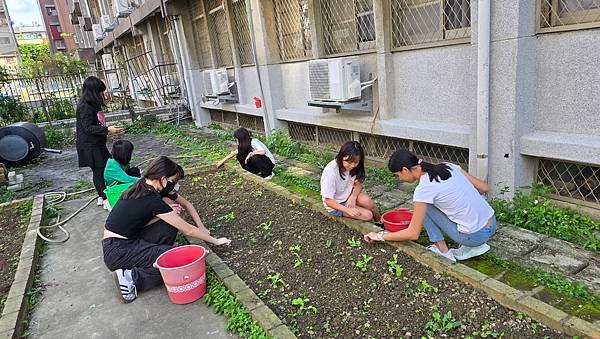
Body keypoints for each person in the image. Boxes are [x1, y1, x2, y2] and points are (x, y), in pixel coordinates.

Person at [102, 156, 231, 302]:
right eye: (172, 181)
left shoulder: (142, 186)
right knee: (176, 263)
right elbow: (188, 230)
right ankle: (131, 278)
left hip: (119, 245)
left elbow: (143, 220)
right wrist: (216, 241)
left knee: (170, 224)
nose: (173, 185)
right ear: (163, 178)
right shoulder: (150, 199)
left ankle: (159, 252)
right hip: (119, 252)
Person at [364, 149, 496, 262]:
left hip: (474, 236)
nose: (400, 179)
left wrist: (380, 236)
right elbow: (484, 188)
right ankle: (473, 243)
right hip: (492, 223)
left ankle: (443, 251)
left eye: (397, 175)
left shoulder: (424, 189)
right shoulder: (448, 166)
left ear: (405, 170)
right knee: (426, 206)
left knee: (423, 208)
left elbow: (413, 233)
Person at [76, 76, 123, 210]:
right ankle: (106, 199)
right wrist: (108, 129)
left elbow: (97, 119)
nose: (101, 95)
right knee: (99, 171)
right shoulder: (84, 106)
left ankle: (101, 196)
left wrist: (105, 101)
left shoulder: (91, 103)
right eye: (100, 92)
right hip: (89, 146)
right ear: (92, 92)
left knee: (105, 167)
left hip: (96, 144)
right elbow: (88, 127)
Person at [320, 141, 381, 223]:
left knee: (368, 202)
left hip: (348, 195)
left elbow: (358, 184)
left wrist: (353, 197)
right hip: (336, 204)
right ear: (341, 157)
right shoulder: (331, 172)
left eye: (356, 162)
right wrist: (347, 210)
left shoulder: (355, 167)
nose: (352, 166)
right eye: (349, 162)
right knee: (368, 215)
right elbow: (328, 201)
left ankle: (380, 222)